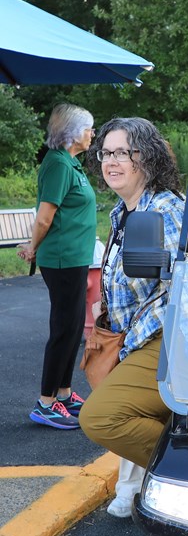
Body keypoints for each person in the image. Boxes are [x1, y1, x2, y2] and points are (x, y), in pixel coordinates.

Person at [79, 118, 188, 513]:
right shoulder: (124, 212)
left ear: (145, 157)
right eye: (106, 152)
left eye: (122, 153)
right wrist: (106, 305)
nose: (111, 161)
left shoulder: (164, 210)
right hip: (141, 336)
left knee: (101, 417)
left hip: (176, 334)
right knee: (118, 412)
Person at [17, 103, 96, 430]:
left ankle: (63, 394)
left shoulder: (70, 163)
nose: (93, 134)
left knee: (74, 327)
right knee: (64, 329)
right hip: (62, 260)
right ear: (75, 133)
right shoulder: (58, 166)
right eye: (90, 128)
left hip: (75, 258)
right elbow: (45, 216)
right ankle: (46, 402)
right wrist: (32, 247)